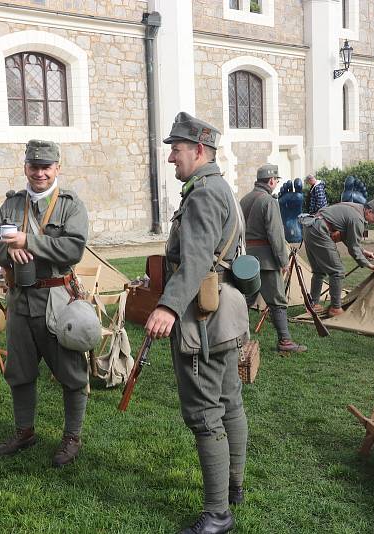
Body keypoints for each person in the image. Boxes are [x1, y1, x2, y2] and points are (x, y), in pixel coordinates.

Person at [145, 112, 249, 534]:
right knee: (230, 403)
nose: (171, 157)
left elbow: (197, 261)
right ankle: (233, 488)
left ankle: (218, 513)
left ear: (199, 150)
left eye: (176, 149)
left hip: (199, 318)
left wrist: (167, 307)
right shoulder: (218, 187)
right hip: (222, 310)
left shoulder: (203, 194)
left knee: (206, 413)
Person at [0, 140, 89, 467]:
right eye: (34, 166)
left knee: (71, 371)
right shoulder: (13, 205)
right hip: (20, 298)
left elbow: (73, 249)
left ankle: (72, 436)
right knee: (20, 370)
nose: (40, 173)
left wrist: (28, 241)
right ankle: (24, 431)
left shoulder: (71, 205)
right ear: (26, 166)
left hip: (56, 298)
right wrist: (8, 252)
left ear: (57, 168)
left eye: (46, 167)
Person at [241, 164, 306, 353]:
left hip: (246, 258)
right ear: (271, 181)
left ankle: (233, 336)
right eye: (276, 181)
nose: (276, 184)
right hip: (266, 260)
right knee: (277, 300)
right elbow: (276, 234)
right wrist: (283, 261)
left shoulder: (244, 200)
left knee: (245, 299)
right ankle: (285, 342)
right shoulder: (269, 201)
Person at [298, 200, 374, 317]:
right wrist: (370, 265)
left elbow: (349, 239)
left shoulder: (353, 207)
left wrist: (364, 252)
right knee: (338, 271)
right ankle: (335, 308)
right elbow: (353, 247)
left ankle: (313, 305)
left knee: (319, 271)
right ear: (369, 211)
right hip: (320, 230)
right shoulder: (358, 219)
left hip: (310, 226)